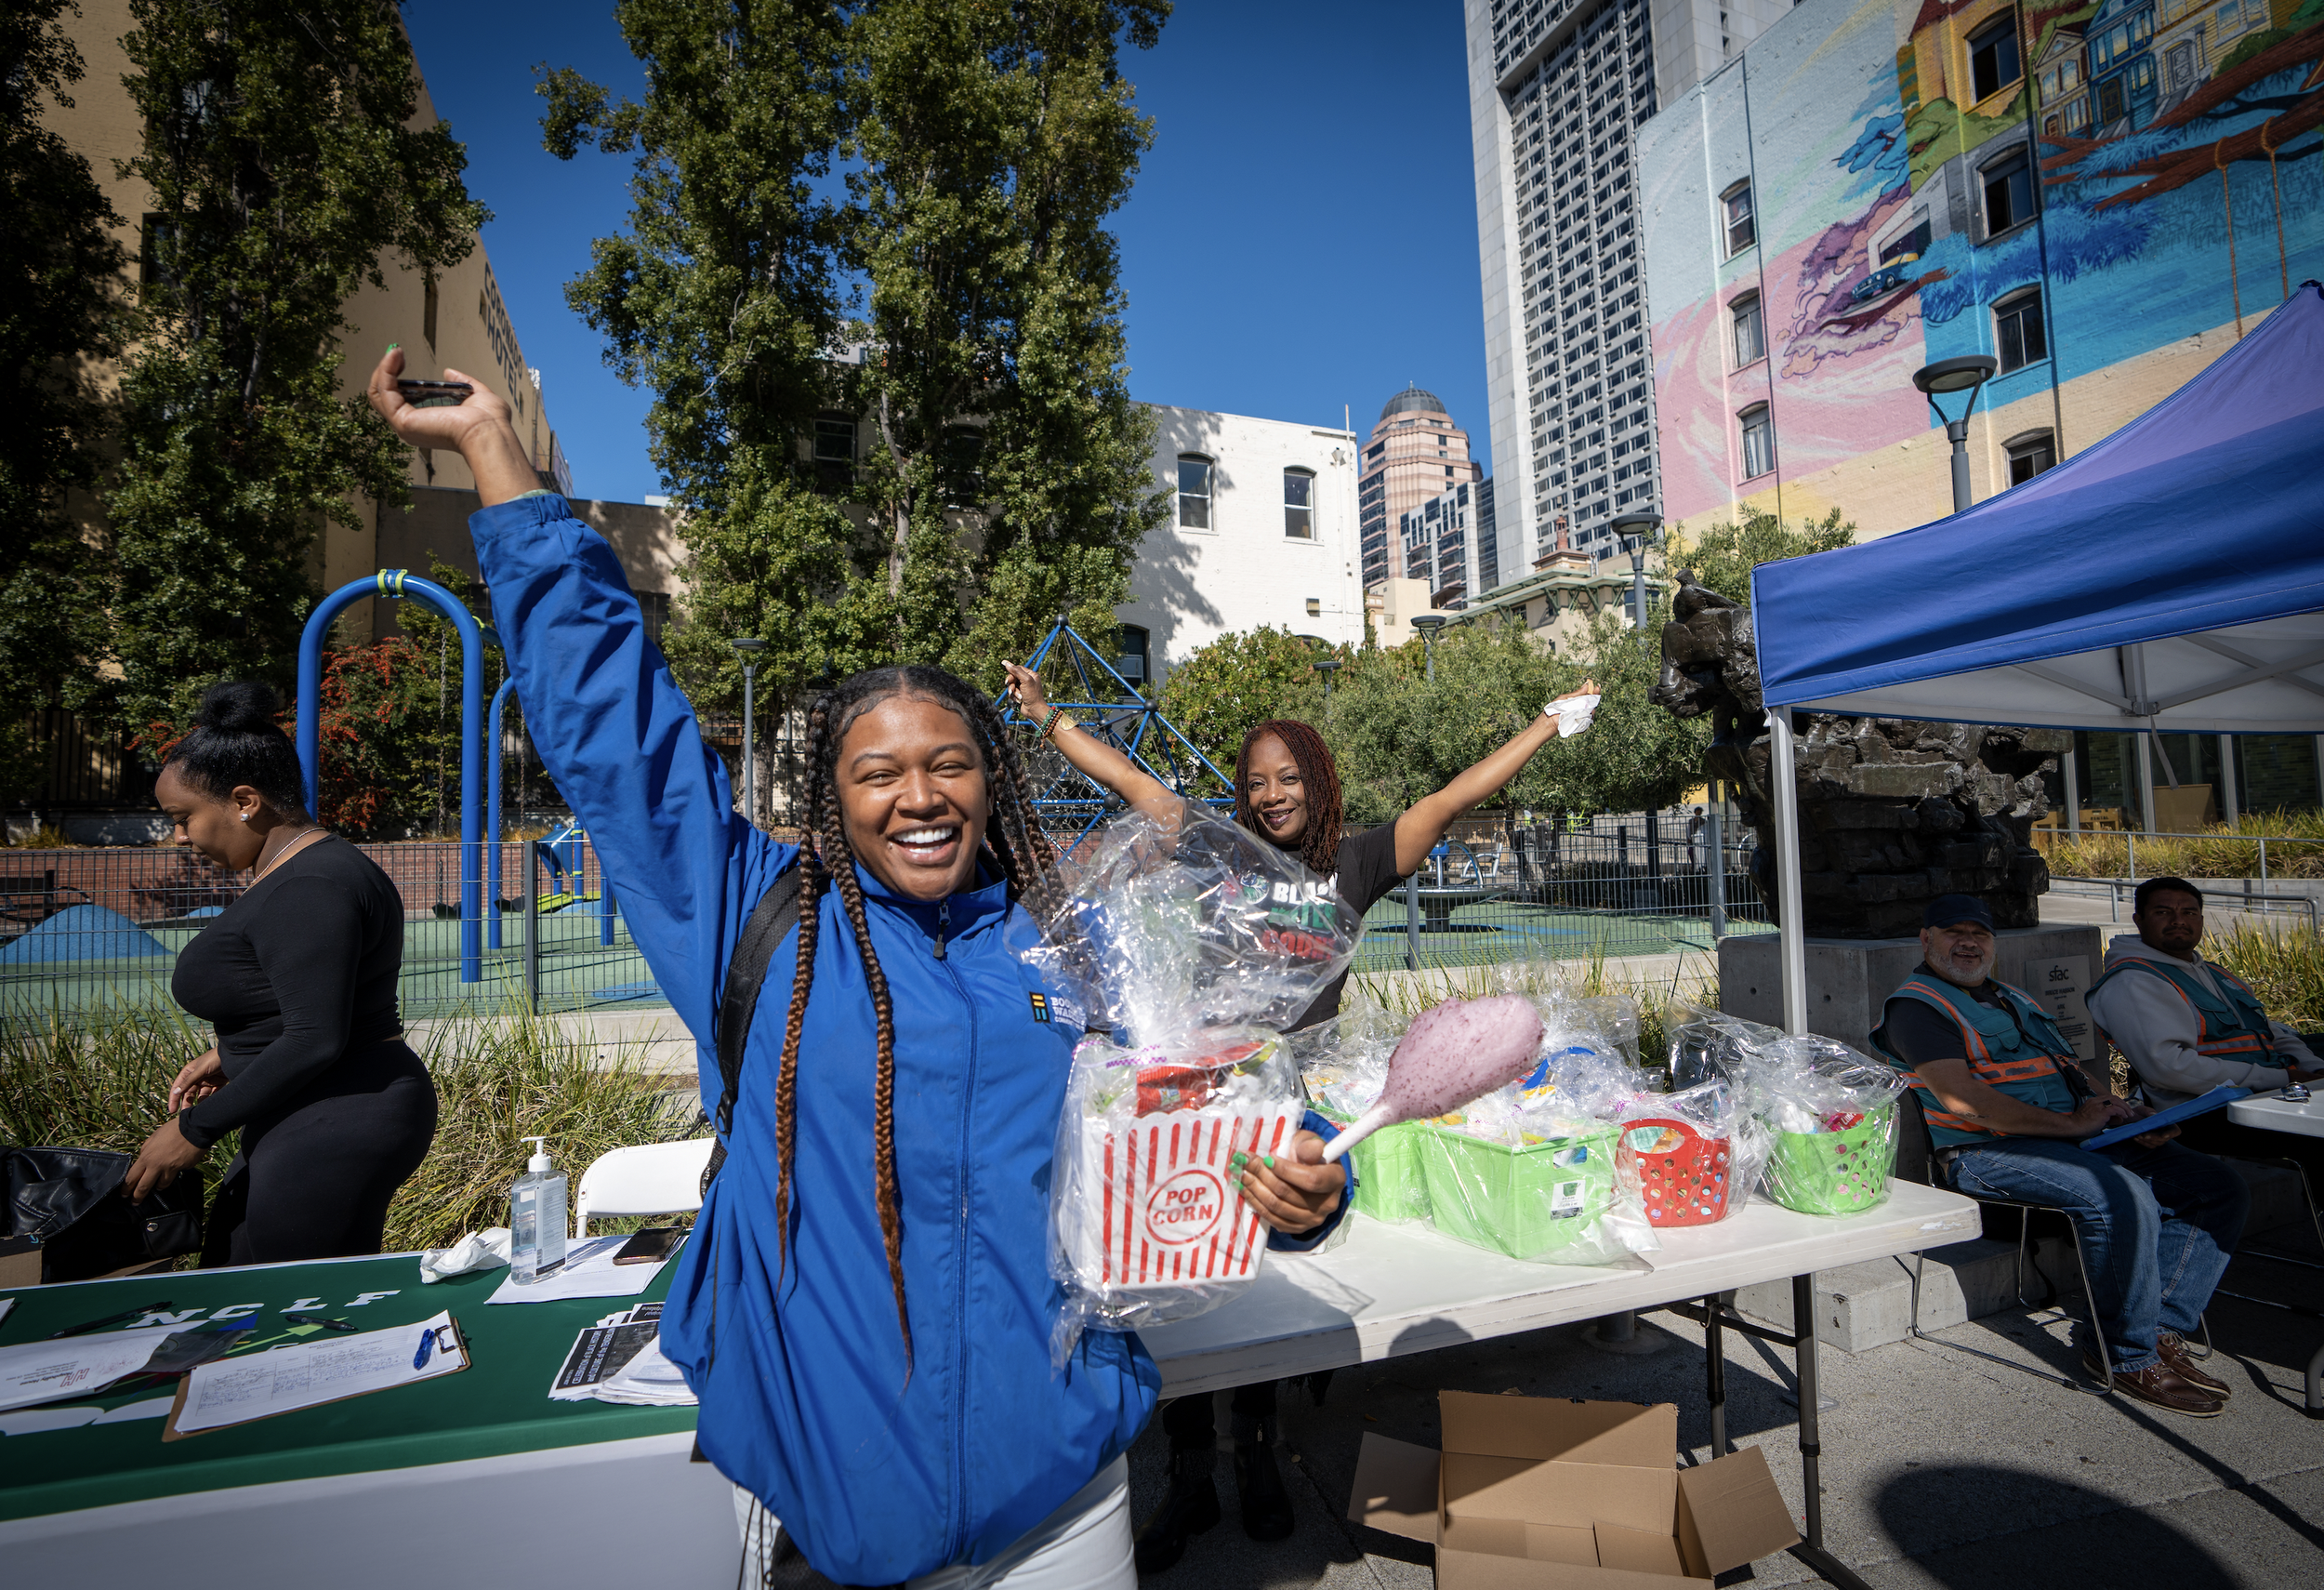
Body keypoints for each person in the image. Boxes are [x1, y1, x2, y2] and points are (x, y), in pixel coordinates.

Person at [366, 349, 1351, 1590]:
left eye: (949, 761)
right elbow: (616, 729)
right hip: (841, 1516)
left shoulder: (1071, 942)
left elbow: (1238, 1105)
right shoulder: (753, 921)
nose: (920, 794)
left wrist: (1314, 1180)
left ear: (992, 779)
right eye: (878, 771)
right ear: (831, 799)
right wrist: (497, 458)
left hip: (1066, 1496)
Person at [1002, 660, 1599, 1570]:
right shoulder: (1211, 849)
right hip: (1197, 1098)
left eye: (1287, 777)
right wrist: (1046, 718)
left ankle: (1257, 1453)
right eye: (1255, 779)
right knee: (1178, 1280)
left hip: (1287, 1110)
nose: (1269, 793)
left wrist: (1548, 724)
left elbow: (1451, 797)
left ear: (1316, 783)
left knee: (1260, 1290)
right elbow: (1124, 779)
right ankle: (1190, 1473)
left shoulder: (1354, 862)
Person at [1871, 894, 2250, 1417]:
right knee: (2121, 1196)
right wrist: (2074, 1125)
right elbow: (1966, 1102)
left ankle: (2159, 1328)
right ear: (1926, 939)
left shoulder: (2014, 998)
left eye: (1978, 935)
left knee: (2215, 1185)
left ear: (1992, 944)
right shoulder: (1917, 1008)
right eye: (1953, 933)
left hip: (2070, 1140)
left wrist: (2122, 1112)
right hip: (1985, 1152)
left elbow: (2071, 1071)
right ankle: (2125, 1354)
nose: (1968, 943)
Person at [124, 682, 438, 1265]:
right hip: (312, 1109)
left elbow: (316, 1036)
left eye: (183, 817)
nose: (181, 837)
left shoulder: (309, 885)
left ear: (245, 801)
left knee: (293, 1318)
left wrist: (193, 1130)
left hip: (340, 1114)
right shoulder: (299, 872)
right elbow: (310, 1002)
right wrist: (233, 1052)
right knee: (237, 1281)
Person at [2087, 875, 2324, 1201]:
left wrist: (2313, 1070)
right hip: (2203, 1112)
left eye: (2189, 912)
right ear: (2139, 920)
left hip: (2264, 1092)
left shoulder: (2213, 972)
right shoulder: (2133, 981)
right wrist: (2285, 1078)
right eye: (2163, 912)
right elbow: (2168, 1068)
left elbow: (2271, 1032)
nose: (2178, 921)